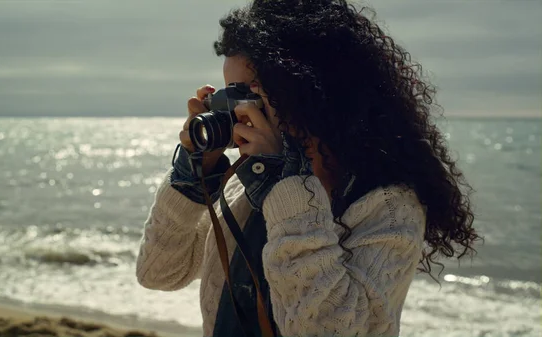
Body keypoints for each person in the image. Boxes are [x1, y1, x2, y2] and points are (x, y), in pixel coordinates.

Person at [136, 1, 480, 336]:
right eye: (228, 93)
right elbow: (159, 272)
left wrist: (284, 185)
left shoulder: (388, 206)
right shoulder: (243, 186)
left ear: (309, 90)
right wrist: (192, 175)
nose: (236, 109)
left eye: (248, 93)